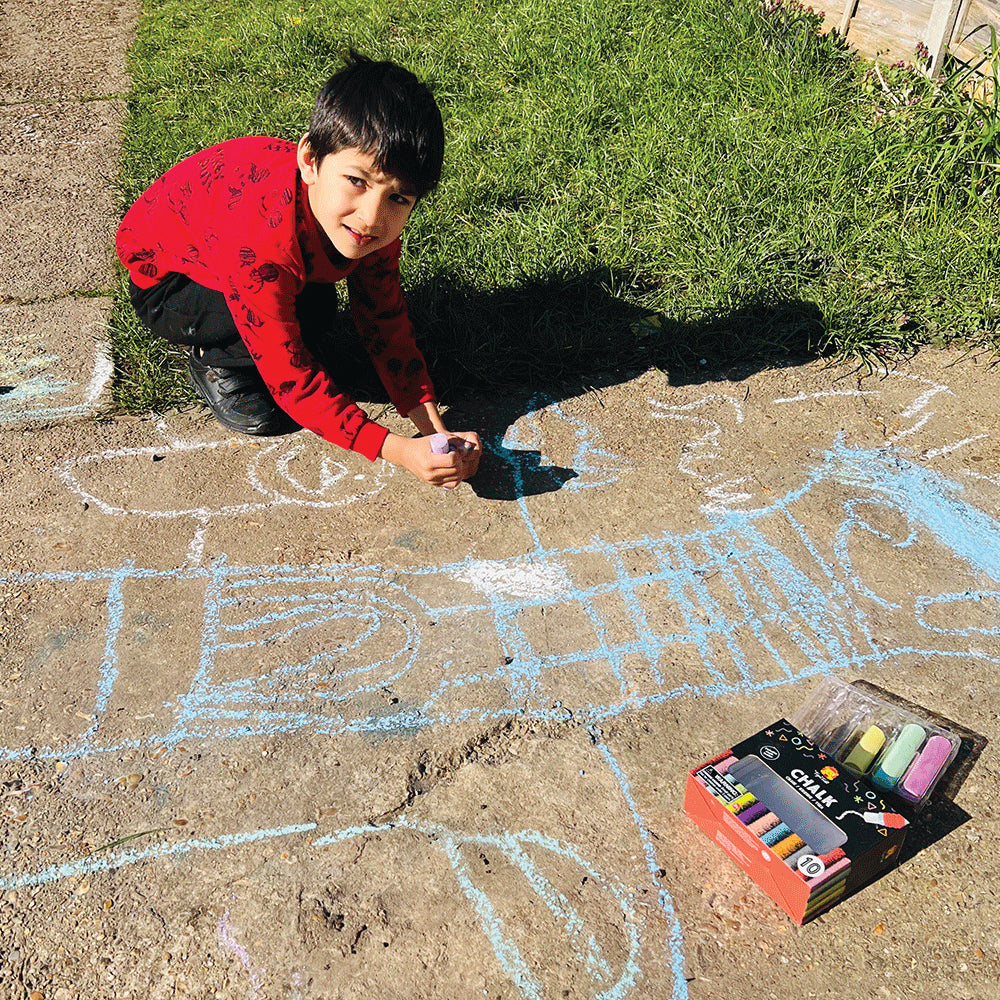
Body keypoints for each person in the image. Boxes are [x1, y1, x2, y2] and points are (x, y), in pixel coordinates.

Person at [116, 52, 480, 489]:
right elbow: (292, 380)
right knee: (279, 394)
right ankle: (215, 360)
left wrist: (434, 431)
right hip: (169, 285)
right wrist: (399, 450)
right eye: (357, 181)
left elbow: (383, 319)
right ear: (310, 161)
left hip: (246, 251)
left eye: (399, 198)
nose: (371, 216)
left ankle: (271, 317)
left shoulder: (371, 226)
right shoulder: (261, 241)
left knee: (317, 313)